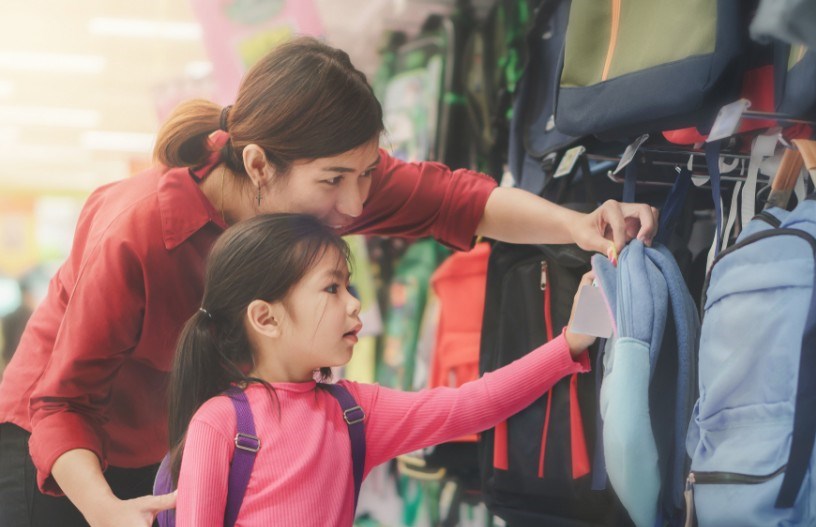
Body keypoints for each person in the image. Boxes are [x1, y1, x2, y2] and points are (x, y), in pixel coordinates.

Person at [0, 36, 657, 527]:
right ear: (258, 164)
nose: (354, 205)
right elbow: (60, 403)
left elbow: (459, 201)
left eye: (366, 173)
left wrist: (580, 225)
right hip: (60, 453)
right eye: (337, 180)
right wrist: (105, 509)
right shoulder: (140, 228)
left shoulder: (322, 188)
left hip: (169, 441)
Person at [169, 213, 598, 526]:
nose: (355, 303)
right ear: (266, 318)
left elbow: (472, 404)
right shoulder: (220, 424)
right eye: (332, 288)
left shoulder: (354, 412)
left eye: (349, 286)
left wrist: (569, 344)